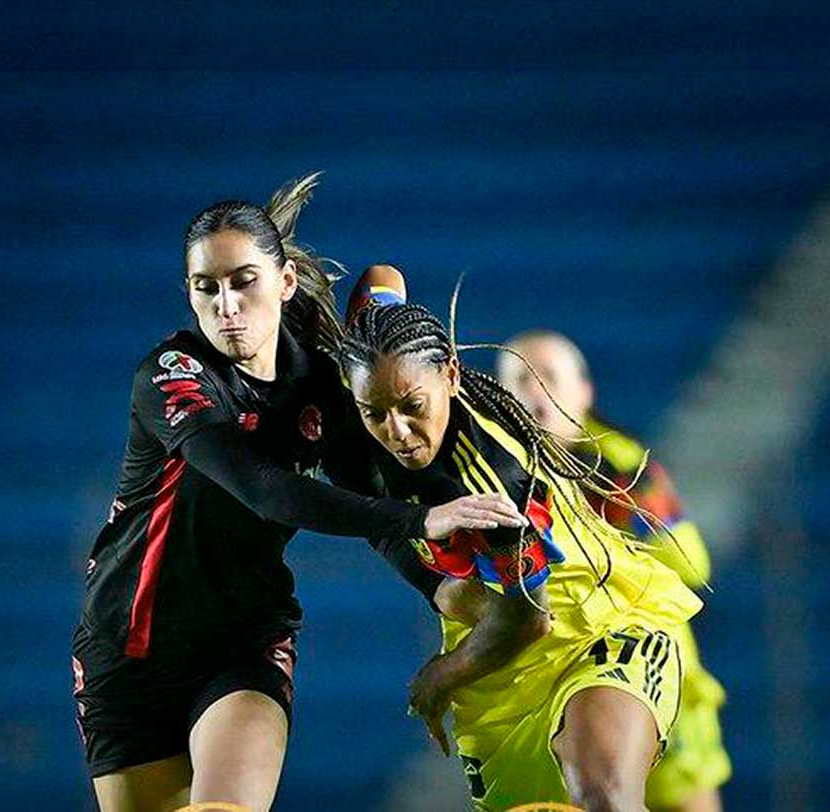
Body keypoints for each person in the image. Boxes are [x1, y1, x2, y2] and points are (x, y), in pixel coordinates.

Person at [71, 178, 523, 812]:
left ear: (283, 283)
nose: (227, 304)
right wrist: (426, 517)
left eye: (244, 281)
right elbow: (264, 490)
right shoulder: (172, 377)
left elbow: (370, 505)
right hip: (130, 648)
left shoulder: (318, 384)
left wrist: (437, 588)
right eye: (208, 287)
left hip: (245, 643)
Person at [336, 273, 702, 812]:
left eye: (413, 406)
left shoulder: (494, 483)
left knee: (605, 794)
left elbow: (529, 617)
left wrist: (440, 676)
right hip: (500, 683)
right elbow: (381, 278)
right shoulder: (370, 364)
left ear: (451, 377)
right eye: (376, 413)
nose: (397, 431)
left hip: (593, 629)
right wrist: (371, 316)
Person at [497, 331, 731, 812]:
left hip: (652, 666)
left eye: (549, 377)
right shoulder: (498, 477)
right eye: (520, 379)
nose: (536, 392)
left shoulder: (622, 469)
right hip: (559, 679)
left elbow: (692, 563)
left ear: (584, 392)